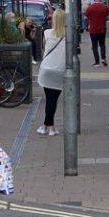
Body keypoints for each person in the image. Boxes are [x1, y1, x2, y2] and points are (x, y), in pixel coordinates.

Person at [37, 9, 67, 137]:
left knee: (50, 99)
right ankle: (50, 127)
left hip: (46, 69)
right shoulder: (68, 36)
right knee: (53, 99)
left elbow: (44, 48)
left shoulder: (47, 33)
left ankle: (47, 126)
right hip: (60, 70)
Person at [86, 0, 109, 67]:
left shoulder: (90, 8)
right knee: (102, 44)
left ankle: (97, 62)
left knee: (94, 45)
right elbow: (108, 17)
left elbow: (86, 16)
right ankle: (103, 59)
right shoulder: (105, 7)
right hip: (102, 28)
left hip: (93, 29)